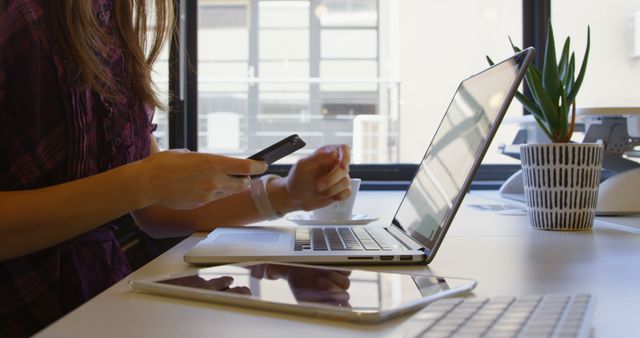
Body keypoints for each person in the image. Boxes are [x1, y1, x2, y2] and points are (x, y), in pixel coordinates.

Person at [0, 1, 352, 336]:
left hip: (103, 303)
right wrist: (141, 182)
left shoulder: (111, 18)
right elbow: (141, 189)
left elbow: (153, 208)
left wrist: (287, 194)